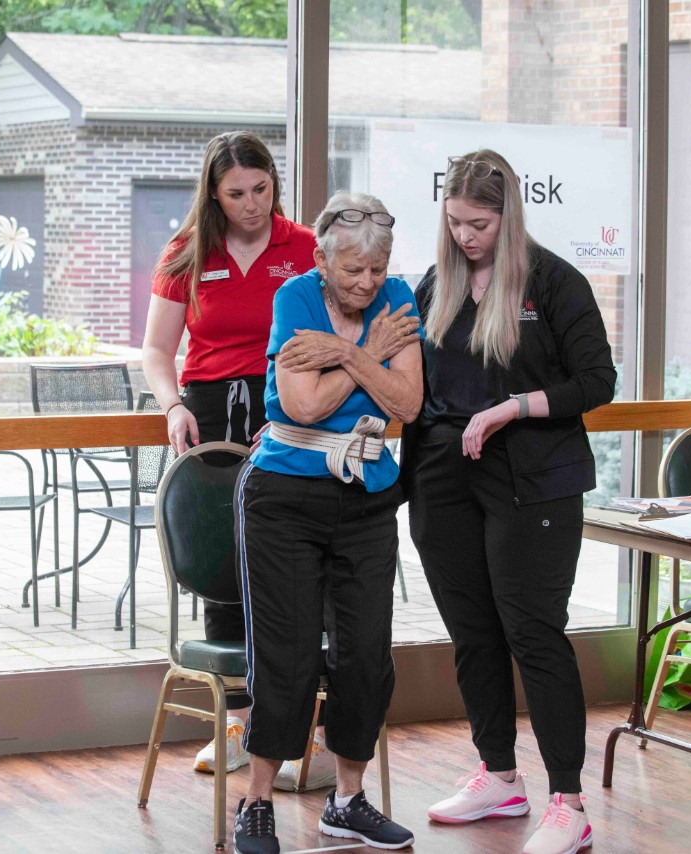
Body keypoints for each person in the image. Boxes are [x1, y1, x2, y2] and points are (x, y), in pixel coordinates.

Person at [402, 150, 616, 854]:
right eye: (456, 222)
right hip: (445, 477)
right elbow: (416, 383)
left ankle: (569, 803)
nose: (466, 236)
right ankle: (499, 776)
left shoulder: (552, 281)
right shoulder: (437, 283)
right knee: (474, 633)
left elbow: (597, 382)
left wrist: (513, 407)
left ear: (509, 215)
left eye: (481, 224)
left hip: (532, 478)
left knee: (534, 633)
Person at [231, 192, 422, 854]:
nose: (368, 283)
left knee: (365, 654)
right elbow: (303, 407)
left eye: (378, 269)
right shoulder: (294, 299)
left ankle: (347, 802)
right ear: (320, 260)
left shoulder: (399, 296)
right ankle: (257, 802)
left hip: (367, 496)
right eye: (352, 270)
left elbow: (408, 403)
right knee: (285, 657)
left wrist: (344, 353)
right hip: (284, 497)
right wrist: (373, 353)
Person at [142, 131, 326, 782]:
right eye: (236, 193)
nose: (252, 205)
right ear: (213, 195)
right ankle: (240, 725)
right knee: (226, 565)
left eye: (261, 189)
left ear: (275, 183)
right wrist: (172, 406)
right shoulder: (187, 251)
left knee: (297, 567)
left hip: (290, 411)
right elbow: (157, 350)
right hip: (210, 415)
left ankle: (310, 732)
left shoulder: (306, 247)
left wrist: (305, 405)